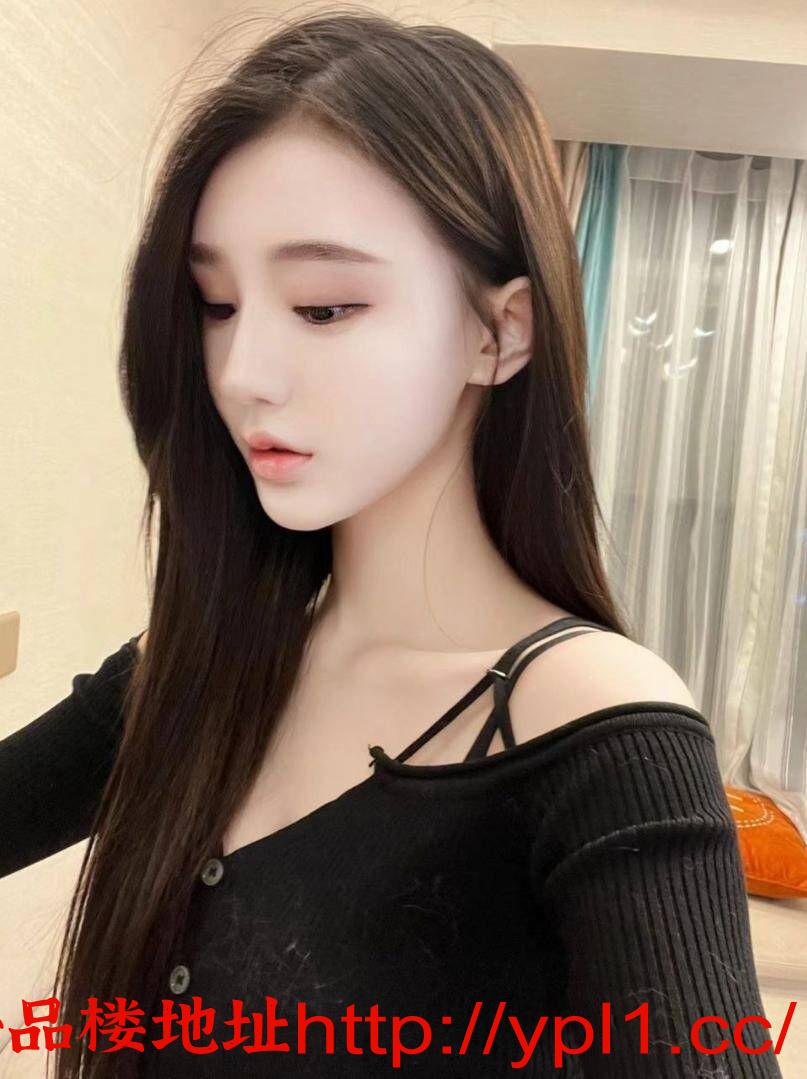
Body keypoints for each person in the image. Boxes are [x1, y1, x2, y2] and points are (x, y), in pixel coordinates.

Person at [0, 9, 782, 1078]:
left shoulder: (600, 735)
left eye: (323, 307)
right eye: (217, 304)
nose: (242, 372)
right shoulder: (195, 668)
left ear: (500, 332)